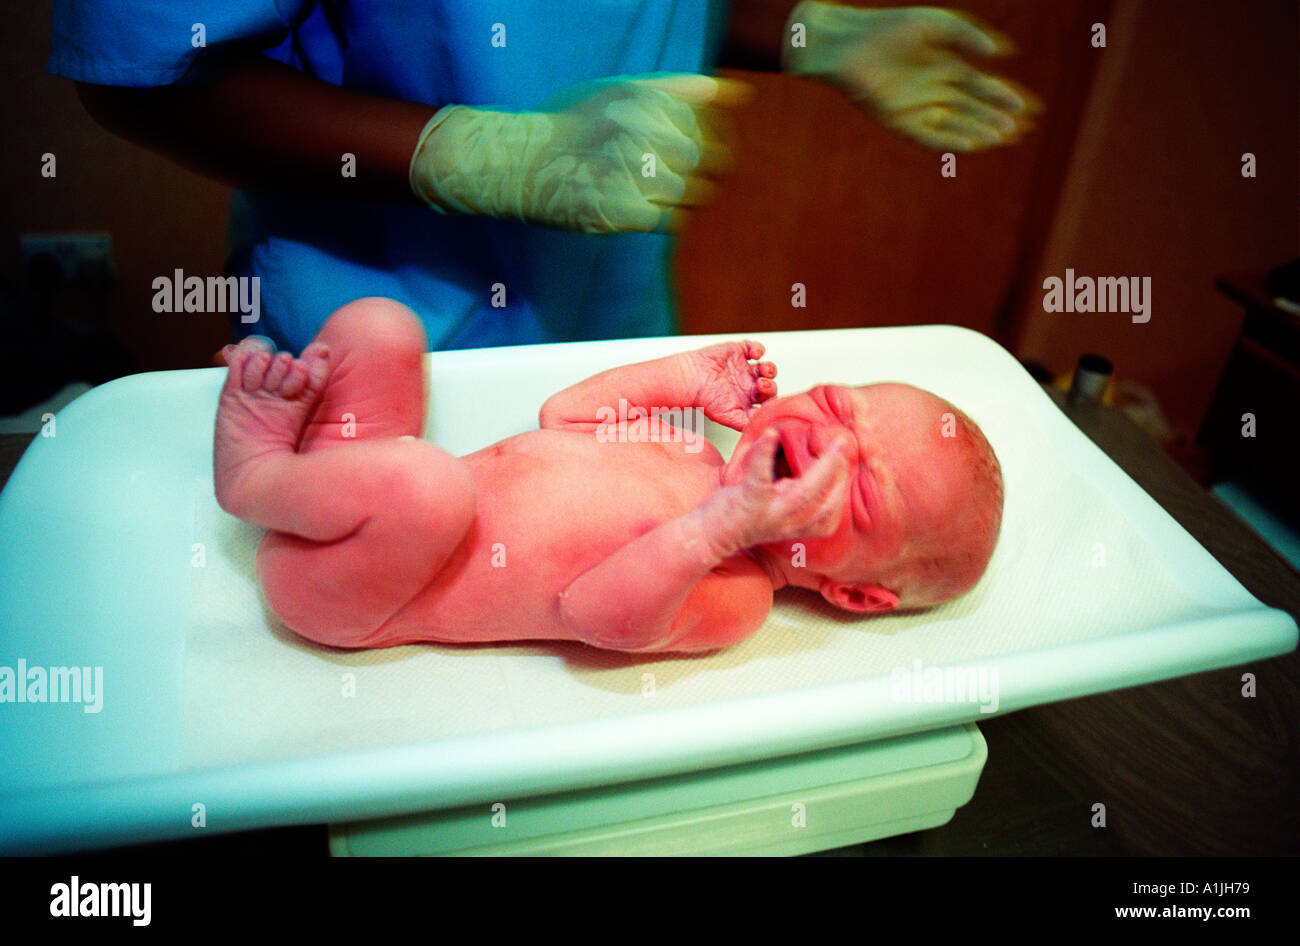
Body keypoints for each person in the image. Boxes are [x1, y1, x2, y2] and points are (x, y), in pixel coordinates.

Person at [51, 1, 1029, 353]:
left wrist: (815, 31)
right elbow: (146, 75)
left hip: (605, 325)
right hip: (373, 340)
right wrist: (483, 156)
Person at [212, 297, 1004, 653]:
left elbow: (594, 613)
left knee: (429, 488)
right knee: (381, 327)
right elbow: (565, 413)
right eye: (836, 405)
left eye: (859, 490)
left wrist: (722, 526)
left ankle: (253, 476)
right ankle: (305, 477)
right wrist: (687, 374)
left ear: (855, 592)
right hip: (366, 500)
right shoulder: (691, 452)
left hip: (356, 589)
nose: (832, 443)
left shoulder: (738, 595)